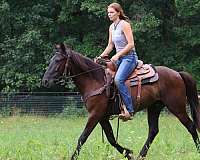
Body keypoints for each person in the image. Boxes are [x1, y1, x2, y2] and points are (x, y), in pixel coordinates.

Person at [99, 2, 138, 120]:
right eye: (108, 13)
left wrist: (118, 55)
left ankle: (129, 110)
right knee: (105, 77)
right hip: (119, 58)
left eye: (111, 12)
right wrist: (100, 57)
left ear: (118, 12)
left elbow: (131, 44)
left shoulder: (124, 25)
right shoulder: (111, 27)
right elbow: (110, 45)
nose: (109, 15)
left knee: (118, 79)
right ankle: (113, 108)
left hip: (129, 57)